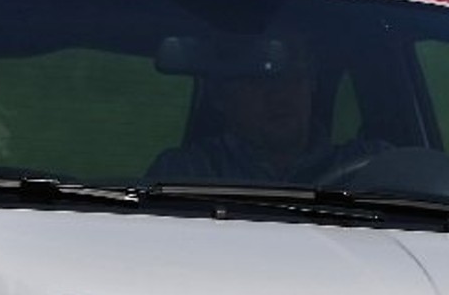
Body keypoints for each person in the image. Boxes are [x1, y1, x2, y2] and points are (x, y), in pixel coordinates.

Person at [147, 33, 381, 184]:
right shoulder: (185, 173)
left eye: (292, 75)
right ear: (220, 97)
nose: (278, 94)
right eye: (256, 80)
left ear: (312, 82)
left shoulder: (374, 167)